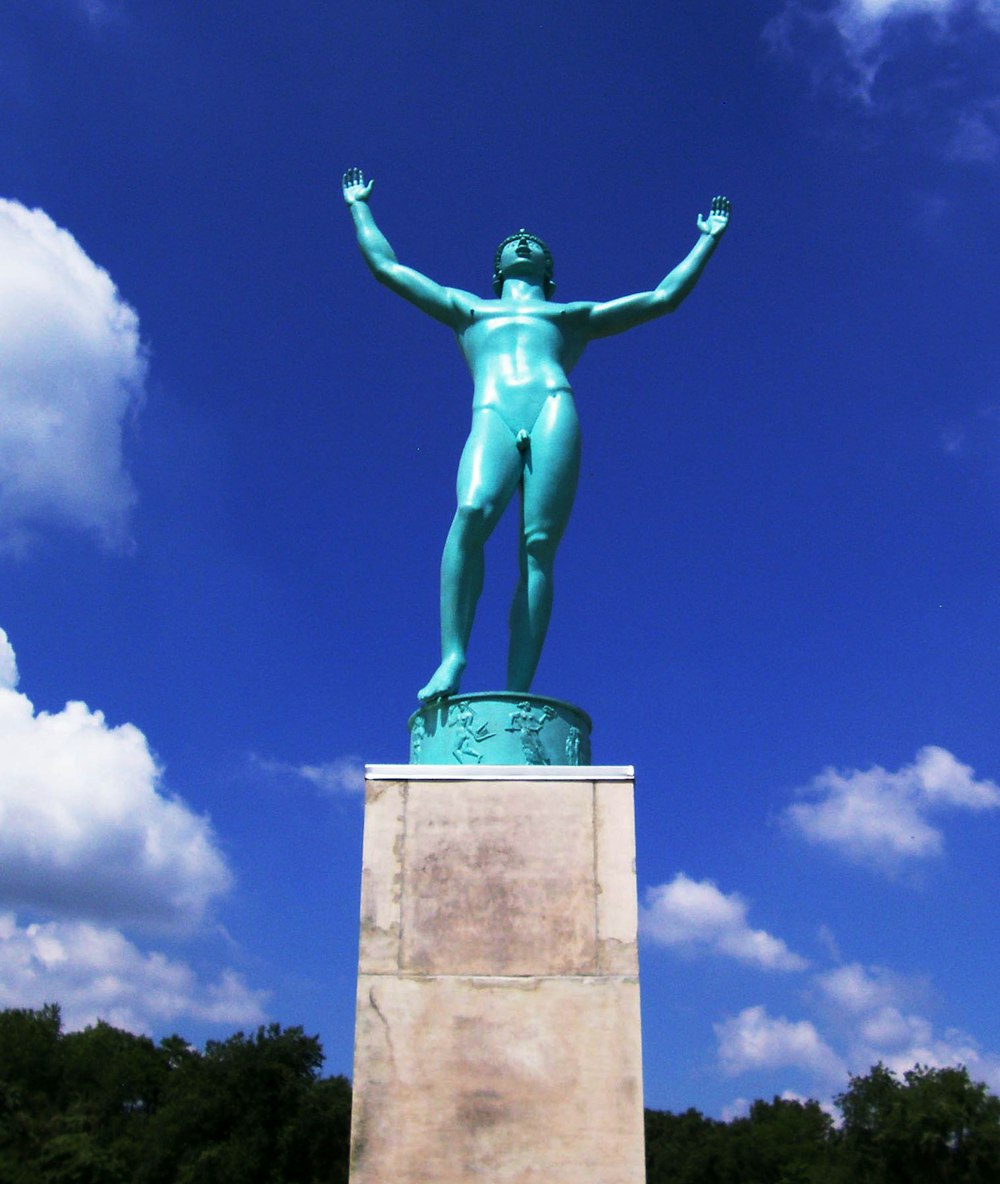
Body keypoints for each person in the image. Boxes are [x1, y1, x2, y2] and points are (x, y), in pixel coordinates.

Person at [342, 168, 730, 702]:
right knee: (472, 511)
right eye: (511, 243)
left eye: (533, 243)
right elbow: (387, 268)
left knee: (538, 546)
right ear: (496, 266)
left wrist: (707, 239)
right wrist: (359, 206)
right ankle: (452, 657)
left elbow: (662, 298)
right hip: (493, 411)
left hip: (553, 407)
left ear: (549, 268)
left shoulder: (571, 315)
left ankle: (517, 689)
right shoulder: (466, 308)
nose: (522, 242)